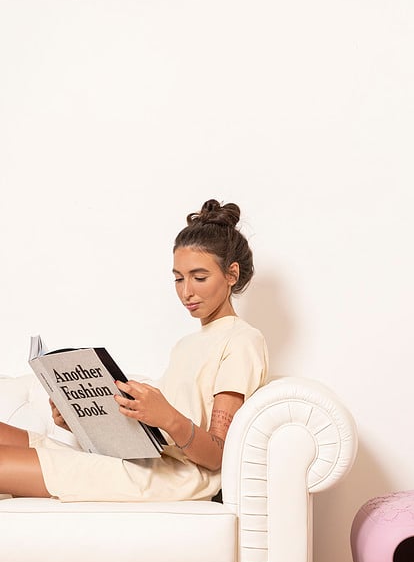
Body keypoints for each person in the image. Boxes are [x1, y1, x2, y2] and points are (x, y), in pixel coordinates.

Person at [0, 199, 268, 502]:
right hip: (143, 462)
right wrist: (78, 418)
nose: (186, 292)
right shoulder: (186, 344)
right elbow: (152, 438)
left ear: (231, 274)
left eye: (199, 277)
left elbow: (220, 455)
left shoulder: (243, 340)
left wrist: (167, 416)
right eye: (178, 279)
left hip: (171, 478)